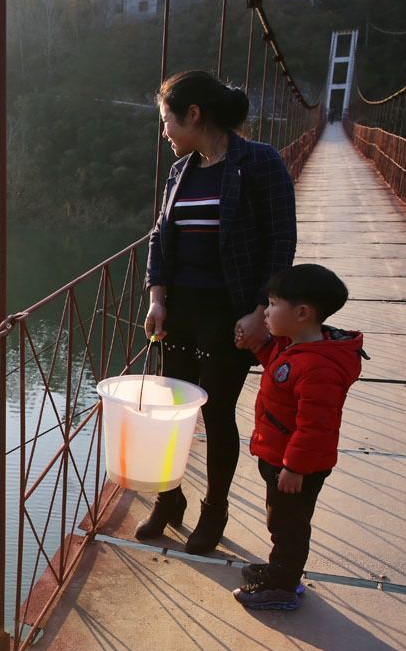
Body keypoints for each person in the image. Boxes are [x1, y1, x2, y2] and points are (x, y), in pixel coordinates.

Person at [141, 69, 297, 554]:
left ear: (193, 115)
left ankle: (214, 510)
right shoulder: (180, 172)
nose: (164, 132)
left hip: (230, 317)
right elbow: (159, 238)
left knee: (217, 413)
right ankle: (169, 500)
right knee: (171, 413)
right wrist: (157, 299)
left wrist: (261, 312)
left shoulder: (259, 162)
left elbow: (281, 242)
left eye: (166, 120)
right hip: (180, 314)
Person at [233, 264, 365, 610]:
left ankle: (282, 586)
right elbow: (281, 372)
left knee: (289, 525)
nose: (266, 312)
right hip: (281, 457)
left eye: (273, 305)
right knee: (282, 520)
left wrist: (295, 468)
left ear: (302, 313)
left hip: (294, 466)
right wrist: (258, 348)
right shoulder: (295, 347)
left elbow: (316, 428)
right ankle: (282, 571)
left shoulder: (319, 368)